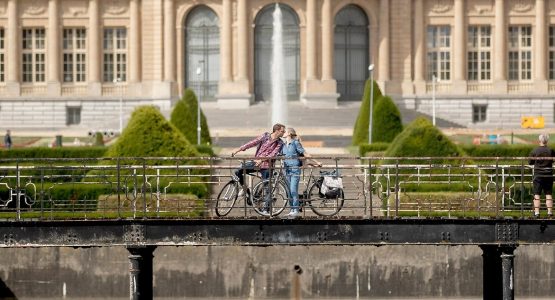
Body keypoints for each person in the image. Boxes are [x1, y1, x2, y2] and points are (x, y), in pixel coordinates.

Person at [231, 123, 286, 212]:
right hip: (256, 163)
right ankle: (247, 192)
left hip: (267, 166)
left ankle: (266, 210)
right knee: (238, 171)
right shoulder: (265, 136)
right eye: (282, 131)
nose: (284, 133)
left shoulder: (280, 143)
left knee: (267, 188)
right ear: (276, 131)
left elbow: (273, 154)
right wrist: (238, 150)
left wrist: (262, 160)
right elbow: (253, 143)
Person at [281, 127, 321, 218]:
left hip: (295, 169)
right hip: (286, 170)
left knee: (293, 190)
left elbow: (305, 153)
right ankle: (291, 209)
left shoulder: (295, 143)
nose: (283, 133)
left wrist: (316, 162)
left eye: (285, 132)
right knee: (288, 191)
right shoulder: (283, 144)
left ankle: (296, 209)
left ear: (289, 134)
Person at [529, 133, 555, 218]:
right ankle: (550, 213)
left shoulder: (535, 150)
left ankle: (537, 213)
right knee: (548, 194)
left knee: (537, 194)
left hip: (538, 175)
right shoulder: (550, 150)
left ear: (539, 140)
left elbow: (530, 162)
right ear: (547, 141)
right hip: (548, 174)